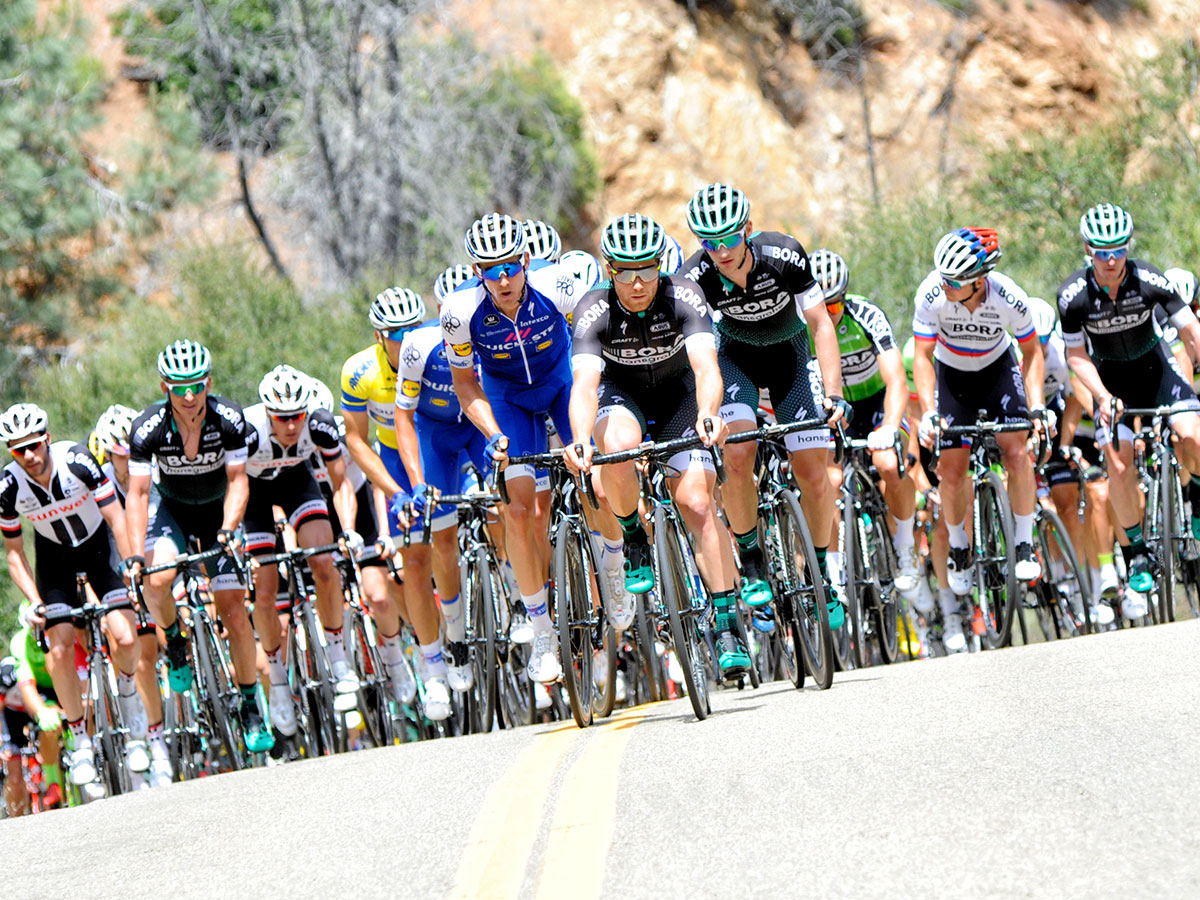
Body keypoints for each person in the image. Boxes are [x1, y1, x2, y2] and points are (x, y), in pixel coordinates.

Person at [564, 214, 744, 672]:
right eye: (626, 270)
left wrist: (708, 413)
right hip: (621, 395)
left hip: (679, 395)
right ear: (609, 269)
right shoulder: (593, 309)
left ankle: (726, 626)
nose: (638, 281)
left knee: (699, 503)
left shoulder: (684, 295)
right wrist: (581, 440)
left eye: (647, 268)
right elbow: (584, 386)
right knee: (618, 448)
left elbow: (706, 367)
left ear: (661, 265)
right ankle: (631, 535)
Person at [680, 183, 848, 627]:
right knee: (737, 455)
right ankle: (751, 557)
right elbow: (696, 350)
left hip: (790, 356)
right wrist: (705, 409)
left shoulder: (784, 255)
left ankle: (820, 573)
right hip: (735, 358)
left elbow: (820, 325)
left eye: (730, 238)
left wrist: (835, 393)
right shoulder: (695, 276)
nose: (721, 251)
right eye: (709, 243)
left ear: (748, 230)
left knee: (813, 471)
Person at [441, 213, 582, 683]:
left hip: (562, 383)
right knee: (517, 509)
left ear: (525, 260)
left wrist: (582, 428)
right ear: (475, 272)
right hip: (507, 397)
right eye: (489, 269)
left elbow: (589, 350)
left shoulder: (557, 284)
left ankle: (613, 567)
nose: (502, 278)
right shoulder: (459, 312)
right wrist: (492, 433)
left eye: (509, 266)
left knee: (594, 472)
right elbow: (465, 383)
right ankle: (541, 629)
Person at [125, 340, 273, 753]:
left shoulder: (229, 419)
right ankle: (173, 638)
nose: (189, 397)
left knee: (233, 611)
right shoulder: (146, 428)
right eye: (178, 388)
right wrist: (136, 553)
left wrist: (228, 530)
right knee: (157, 579)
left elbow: (240, 482)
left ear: (208, 382)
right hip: (170, 509)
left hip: (216, 514)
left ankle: (249, 704)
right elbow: (136, 495)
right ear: (164, 387)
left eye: (196, 386)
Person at [1058, 203, 1200, 615]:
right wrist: (1101, 396)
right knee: (1118, 463)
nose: (1110, 259)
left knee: (1192, 434)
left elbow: (1189, 330)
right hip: (1110, 379)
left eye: (1118, 249)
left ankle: (1196, 502)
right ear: (1088, 249)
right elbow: (1076, 356)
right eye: (1101, 251)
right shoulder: (1073, 296)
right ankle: (1136, 551)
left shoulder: (1149, 279)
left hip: (1157, 369)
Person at [0, 403, 151, 788]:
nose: (29, 455)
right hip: (54, 563)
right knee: (60, 648)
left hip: (97, 551)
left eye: (34, 444)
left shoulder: (79, 461)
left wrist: (132, 562)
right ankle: (79, 738)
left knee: (126, 636)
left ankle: (131, 701)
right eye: (19, 449)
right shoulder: (9, 487)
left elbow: (116, 517)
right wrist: (34, 601)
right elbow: (15, 554)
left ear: (47, 438)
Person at [912, 228, 1045, 651]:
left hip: (997, 370)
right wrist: (931, 413)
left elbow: (1033, 353)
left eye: (954, 281)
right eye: (943, 278)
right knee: (951, 469)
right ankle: (960, 545)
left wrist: (1037, 407)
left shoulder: (1008, 296)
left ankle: (1023, 543)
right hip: (953, 379)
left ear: (979, 279)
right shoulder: (932, 295)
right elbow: (920, 355)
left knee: (1017, 451)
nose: (945, 285)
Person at [341, 288, 455, 720]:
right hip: (394, 458)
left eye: (413, 329)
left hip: (438, 444)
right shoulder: (359, 372)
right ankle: (433, 670)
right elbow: (356, 440)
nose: (406, 340)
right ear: (378, 335)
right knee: (415, 562)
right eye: (395, 334)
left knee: (470, 529)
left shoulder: (435, 349)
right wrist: (395, 491)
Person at [242, 365, 363, 738]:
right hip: (255, 496)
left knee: (325, 563)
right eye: (282, 418)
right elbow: (229, 485)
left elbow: (341, 485)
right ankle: (278, 679)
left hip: (297, 482)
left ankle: (339, 657)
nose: (292, 425)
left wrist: (348, 532)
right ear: (267, 413)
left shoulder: (321, 424)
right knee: (264, 590)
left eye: (298, 415)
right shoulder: (246, 433)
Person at [809, 249, 919, 593]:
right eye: (821, 307)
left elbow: (898, 381)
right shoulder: (802, 324)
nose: (829, 315)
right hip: (833, 407)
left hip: (874, 403)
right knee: (827, 478)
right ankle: (835, 568)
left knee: (888, 463)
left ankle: (905, 548)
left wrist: (889, 426)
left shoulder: (866, 314)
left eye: (835, 306)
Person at [89, 403, 174, 784]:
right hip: (113, 571)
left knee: (159, 638)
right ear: (108, 451)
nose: (126, 458)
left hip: (153, 560)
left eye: (130, 449)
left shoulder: (151, 471)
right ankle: (147, 736)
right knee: (138, 655)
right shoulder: (98, 480)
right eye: (118, 452)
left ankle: (184, 646)